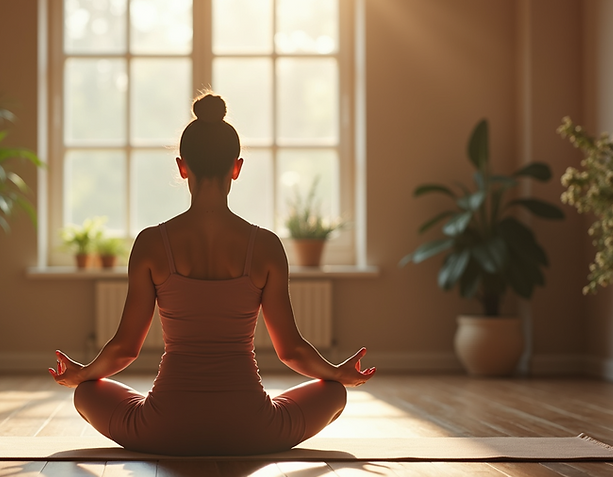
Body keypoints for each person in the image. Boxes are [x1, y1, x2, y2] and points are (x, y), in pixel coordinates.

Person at [50, 93, 375, 456]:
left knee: (86, 392)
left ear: (182, 166)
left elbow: (125, 350)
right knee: (334, 392)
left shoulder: (151, 244)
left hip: (164, 429)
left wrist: (82, 373)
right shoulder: (265, 246)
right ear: (236, 167)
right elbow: (292, 351)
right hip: (253, 429)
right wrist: (336, 371)